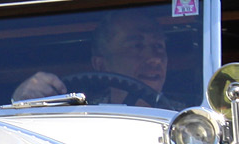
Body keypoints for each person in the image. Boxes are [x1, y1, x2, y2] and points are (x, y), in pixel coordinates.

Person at [11, 12, 174, 107]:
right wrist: (23, 101)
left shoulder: (189, 116)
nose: (155, 59)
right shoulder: (81, 112)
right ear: (101, 65)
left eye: (159, 46)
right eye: (137, 45)